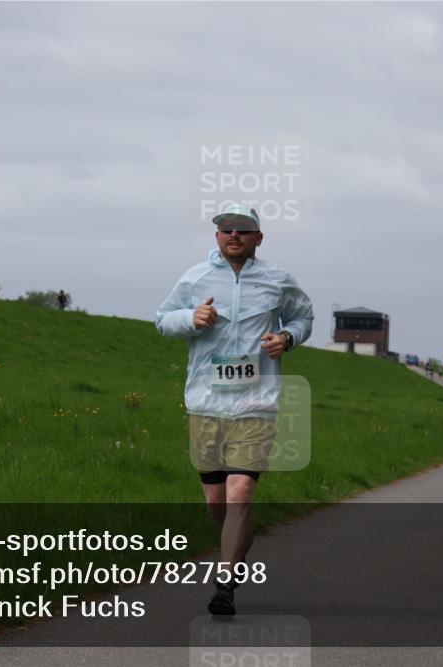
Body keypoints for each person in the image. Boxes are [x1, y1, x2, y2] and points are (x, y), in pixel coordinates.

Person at [156, 202, 314, 616]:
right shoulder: (195, 277)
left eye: (243, 230)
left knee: (240, 490)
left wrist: (288, 338)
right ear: (217, 236)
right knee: (216, 502)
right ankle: (238, 539)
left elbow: (303, 315)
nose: (234, 235)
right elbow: (162, 320)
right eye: (226, 229)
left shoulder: (277, 280)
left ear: (258, 238)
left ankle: (224, 585)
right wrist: (192, 317)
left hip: (256, 401)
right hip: (206, 401)